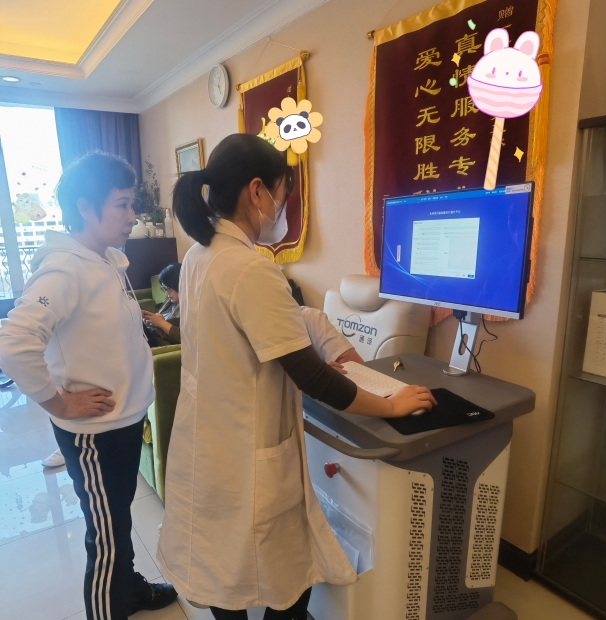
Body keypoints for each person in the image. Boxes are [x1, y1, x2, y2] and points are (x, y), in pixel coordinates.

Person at [156, 134, 436, 619]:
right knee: (289, 579)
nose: (283, 209)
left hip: (211, 445)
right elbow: (315, 379)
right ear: (257, 191)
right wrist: (391, 404)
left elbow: (278, 324)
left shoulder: (198, 258)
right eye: (284, 195)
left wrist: (331, 351)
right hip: (247, 456)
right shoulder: (250, 268)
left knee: (225, 573)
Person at [0, 152, 178, 620]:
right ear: (84, 207)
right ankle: (108, 608)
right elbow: (13, 343)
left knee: (117, 523)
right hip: (96, 435)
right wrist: (58, 402)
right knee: (106, 537)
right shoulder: (65, 268)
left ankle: (129, 590)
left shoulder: (105, 261)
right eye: (121, 204)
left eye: (131, 203)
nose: (131, 215)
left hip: (122, 421)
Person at [142, 263, 182, 347]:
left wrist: (161, 323)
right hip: (151, 335)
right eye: (164, 289)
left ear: (179, 284)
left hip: (158, 342)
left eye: (168, 288)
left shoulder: (189, 308)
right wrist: (150, 321)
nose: (166, 293)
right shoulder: (170, 302)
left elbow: (185, 337)